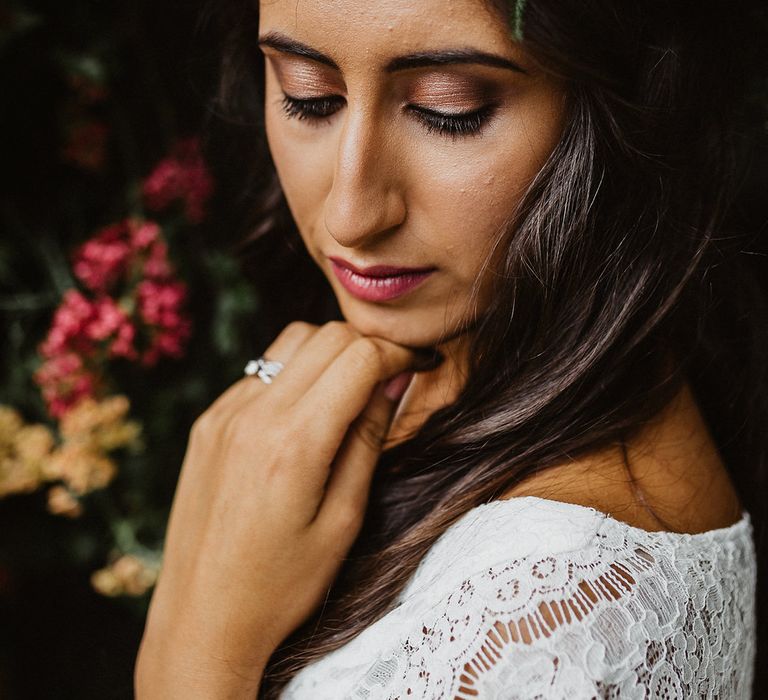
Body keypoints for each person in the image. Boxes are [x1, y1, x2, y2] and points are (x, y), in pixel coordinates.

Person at [134, 0, 767, 697]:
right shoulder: (446, 369)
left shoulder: (546, 628)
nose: (351, 213)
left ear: (620, 100)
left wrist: (191, 656)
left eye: (449, 111)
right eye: (308, 97)